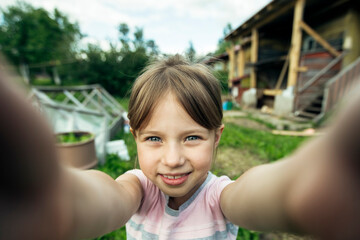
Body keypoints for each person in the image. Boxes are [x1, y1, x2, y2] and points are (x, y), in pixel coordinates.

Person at [0, 54, 360, 240]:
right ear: (134, 135)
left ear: (216, 137)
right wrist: (59, 200)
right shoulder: (137, 188)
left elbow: (252, 196)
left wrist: (296, 191)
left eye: (192, 137)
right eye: (154, 139)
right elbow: (105, 197)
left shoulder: (220, 197)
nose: (172, 160)